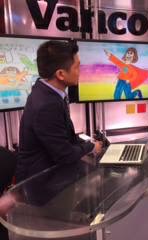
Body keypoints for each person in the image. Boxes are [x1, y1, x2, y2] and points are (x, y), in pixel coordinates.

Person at [16, 40, 102, 182]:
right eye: (77, 67)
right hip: (40, 184)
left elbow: (63, 138)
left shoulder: (45, 91)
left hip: (50, 173)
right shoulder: (47, 105)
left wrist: (86, 145)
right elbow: (65, 155)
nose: (80, 72)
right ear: (61, 74)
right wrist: (91, 146)